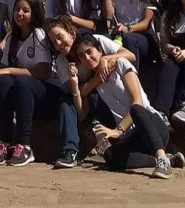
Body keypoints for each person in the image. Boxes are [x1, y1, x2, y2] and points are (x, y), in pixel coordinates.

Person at [70, 34, 184, 179]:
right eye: (81, 56)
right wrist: (74, 85)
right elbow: (81, 114)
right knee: (110, 155)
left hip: (152, 125)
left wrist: (118, 130)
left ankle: (162, 159)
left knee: (136, 109)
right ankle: (165, 159)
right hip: (133, 137)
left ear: (100, 50)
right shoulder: (96, 84)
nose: (86, 58)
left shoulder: (121, 64)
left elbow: (138, 101)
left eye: (89, 52)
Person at [46, 15, 136, 169]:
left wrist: (105, 60)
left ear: (72, 33)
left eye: (60, 37)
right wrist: (93, 81)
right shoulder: (62, 61)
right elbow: (77, 92)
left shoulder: (95, 42)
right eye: (54, 42)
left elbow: (130, 55)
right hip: (85, 98)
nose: (59, 44)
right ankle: (70, 151)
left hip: (109, 92)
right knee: (65, 101)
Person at [0, 0, 65, 167]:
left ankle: (24, 145)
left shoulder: (38, 34)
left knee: (22, 82)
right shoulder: (11, 37)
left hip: (47, 92)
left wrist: (9, 70)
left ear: (34, 13)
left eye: (25, 10)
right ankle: (6, 142)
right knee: (2, 82)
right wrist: (5, 72)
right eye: (17, 9)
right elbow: (4, 74)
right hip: (22, 93)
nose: (20, 14)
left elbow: (42, 72)